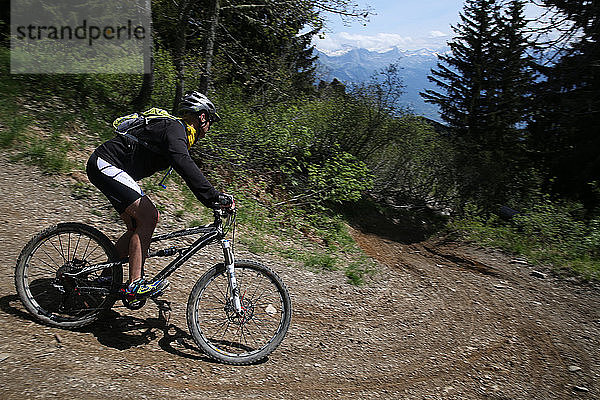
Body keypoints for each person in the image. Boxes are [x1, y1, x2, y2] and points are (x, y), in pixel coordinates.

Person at [86, 91, 233, 300]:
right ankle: (134, 283)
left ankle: (106, 278)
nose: (209, 127)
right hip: (105, 163)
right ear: (202, 117)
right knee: (149, 216)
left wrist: (211, 197)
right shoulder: (175, 129)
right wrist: (213, 197)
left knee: (137, 225)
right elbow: (184, 164)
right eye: (210, 120)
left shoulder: (177, 132)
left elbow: (183, 164)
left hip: (106, 166)